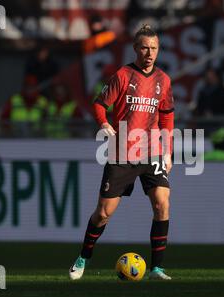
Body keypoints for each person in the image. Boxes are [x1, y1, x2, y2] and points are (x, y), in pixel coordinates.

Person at [69, 25, 175, 281]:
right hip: (123, 153)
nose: (149, 53)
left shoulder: (164, 80)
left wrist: (168, 151)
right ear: (136, 49)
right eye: (145, 48)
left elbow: (167, 117)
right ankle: (83, 257)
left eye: (154, 48)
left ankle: (157, 268)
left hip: (151, 152)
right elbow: (99, 104)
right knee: (104, 212)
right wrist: (104, 124)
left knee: (162, 204)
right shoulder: (123, 75)